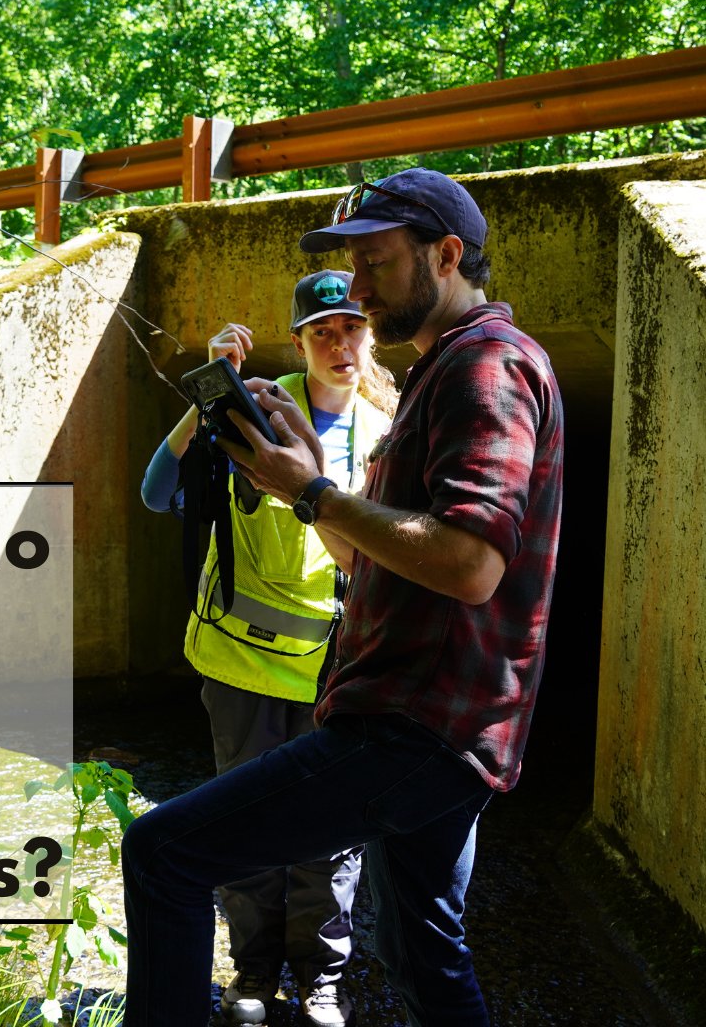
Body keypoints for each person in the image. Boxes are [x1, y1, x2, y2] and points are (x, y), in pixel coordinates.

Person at [121, 168, 564, 1027]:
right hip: (437, 719)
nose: (356, 293)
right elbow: (369, 560)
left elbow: (472, 564)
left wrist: (315, 495)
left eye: (375, 266)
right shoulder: (448, 369)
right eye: (345, 276)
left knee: (163, 852)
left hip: (413, 723)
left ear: (446, 254)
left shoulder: (485, 370)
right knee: (422, 944)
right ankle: (263, 976)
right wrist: (310, 482)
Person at [140, 273, 396, 1027]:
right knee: (244, 824)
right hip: (241, 663)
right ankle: (252, 972)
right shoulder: (250, 410)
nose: (338, 343)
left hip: (333, 667)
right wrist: (204, 398)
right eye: (322, 331)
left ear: (371, 336)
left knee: (332, 833)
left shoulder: (389, 431)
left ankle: (321, 978)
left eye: (350, 328)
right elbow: (160, 494)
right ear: (299, 341)